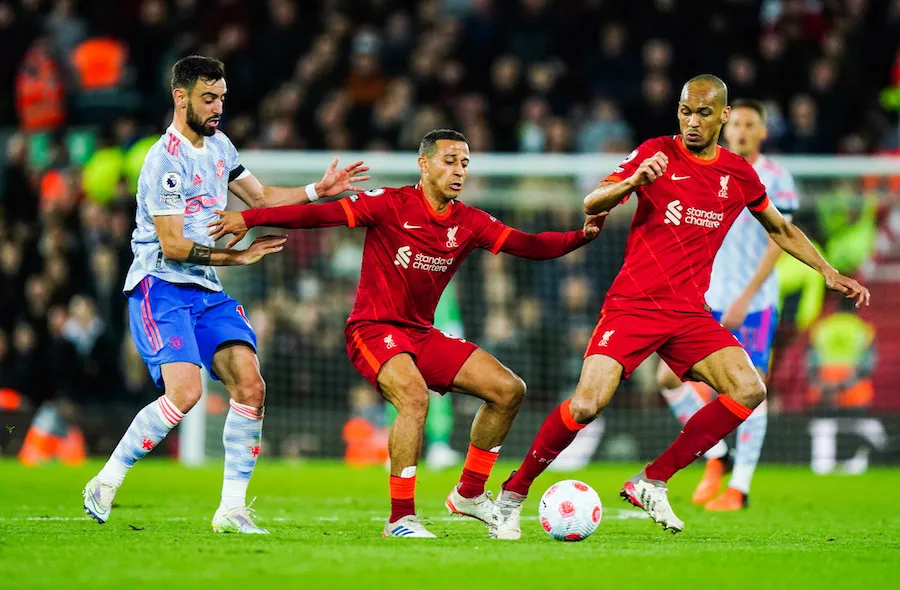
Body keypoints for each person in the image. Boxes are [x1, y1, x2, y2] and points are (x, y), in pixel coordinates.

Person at [492, 75, 869, 539]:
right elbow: (592, 200)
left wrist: (828, 271)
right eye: (685, 110)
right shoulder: (657, 153)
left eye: (703, 113)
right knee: (587, 404)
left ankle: (652, 480)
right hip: (634, 305)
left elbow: (782, 228)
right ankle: (512, 494)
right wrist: (632, 180)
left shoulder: (738, 174)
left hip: (690, 312)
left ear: (723, 116)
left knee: (749, 390)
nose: (692, 121)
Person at [209, 128, 604, 538]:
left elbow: (529, 244)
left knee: (508, 389)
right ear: (425, 163)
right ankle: (400, 518)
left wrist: (580, 237)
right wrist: (248, 218)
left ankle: (469, 494)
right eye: (449, 160)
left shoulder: (470, 222)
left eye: (465, 163)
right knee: (414, 398)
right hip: (373, 329)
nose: (459, 171)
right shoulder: (389, 204)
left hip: (420, 334)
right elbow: (317, 215)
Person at [81, 55, 369, 534]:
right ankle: (107, 480)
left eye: (222, 98)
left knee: (251, 386)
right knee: (187, 393)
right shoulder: (163, 160)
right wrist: (237, 258)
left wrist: (318, 189)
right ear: (181, 97)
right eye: (208, 98)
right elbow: (172, 245)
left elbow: (260, 200)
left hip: (205, 288)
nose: (218, 108)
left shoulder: (220, 147)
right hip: (161, 286)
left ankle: (231, 509)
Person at [656, 99, 799, 511]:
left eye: (749, 124)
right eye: (734, 122)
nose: (739, 130)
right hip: (703, 300)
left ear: (762, 131)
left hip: (753, 305)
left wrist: (746, 297)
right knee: (666, 380)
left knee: (753, 390)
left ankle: (740, 487)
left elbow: (780, 238)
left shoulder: (775, 177)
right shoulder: (710, 169)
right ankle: (718, 456)